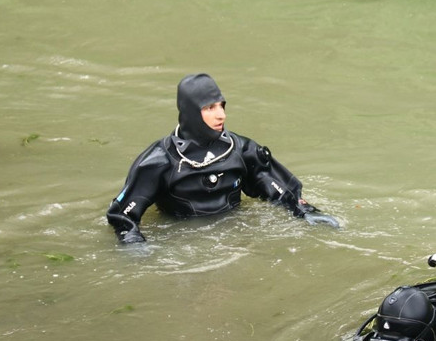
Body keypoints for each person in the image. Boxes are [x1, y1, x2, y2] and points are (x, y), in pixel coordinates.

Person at [106, 73, 338, 243]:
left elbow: (275, 186)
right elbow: (122, 216)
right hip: (183, 242)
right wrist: (134, 244)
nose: (221, 115)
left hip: (237, 238)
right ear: (190, 111)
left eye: (222, 105)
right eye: (210, 108)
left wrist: (306, 211)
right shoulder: (159, 161)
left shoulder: (241, 149)